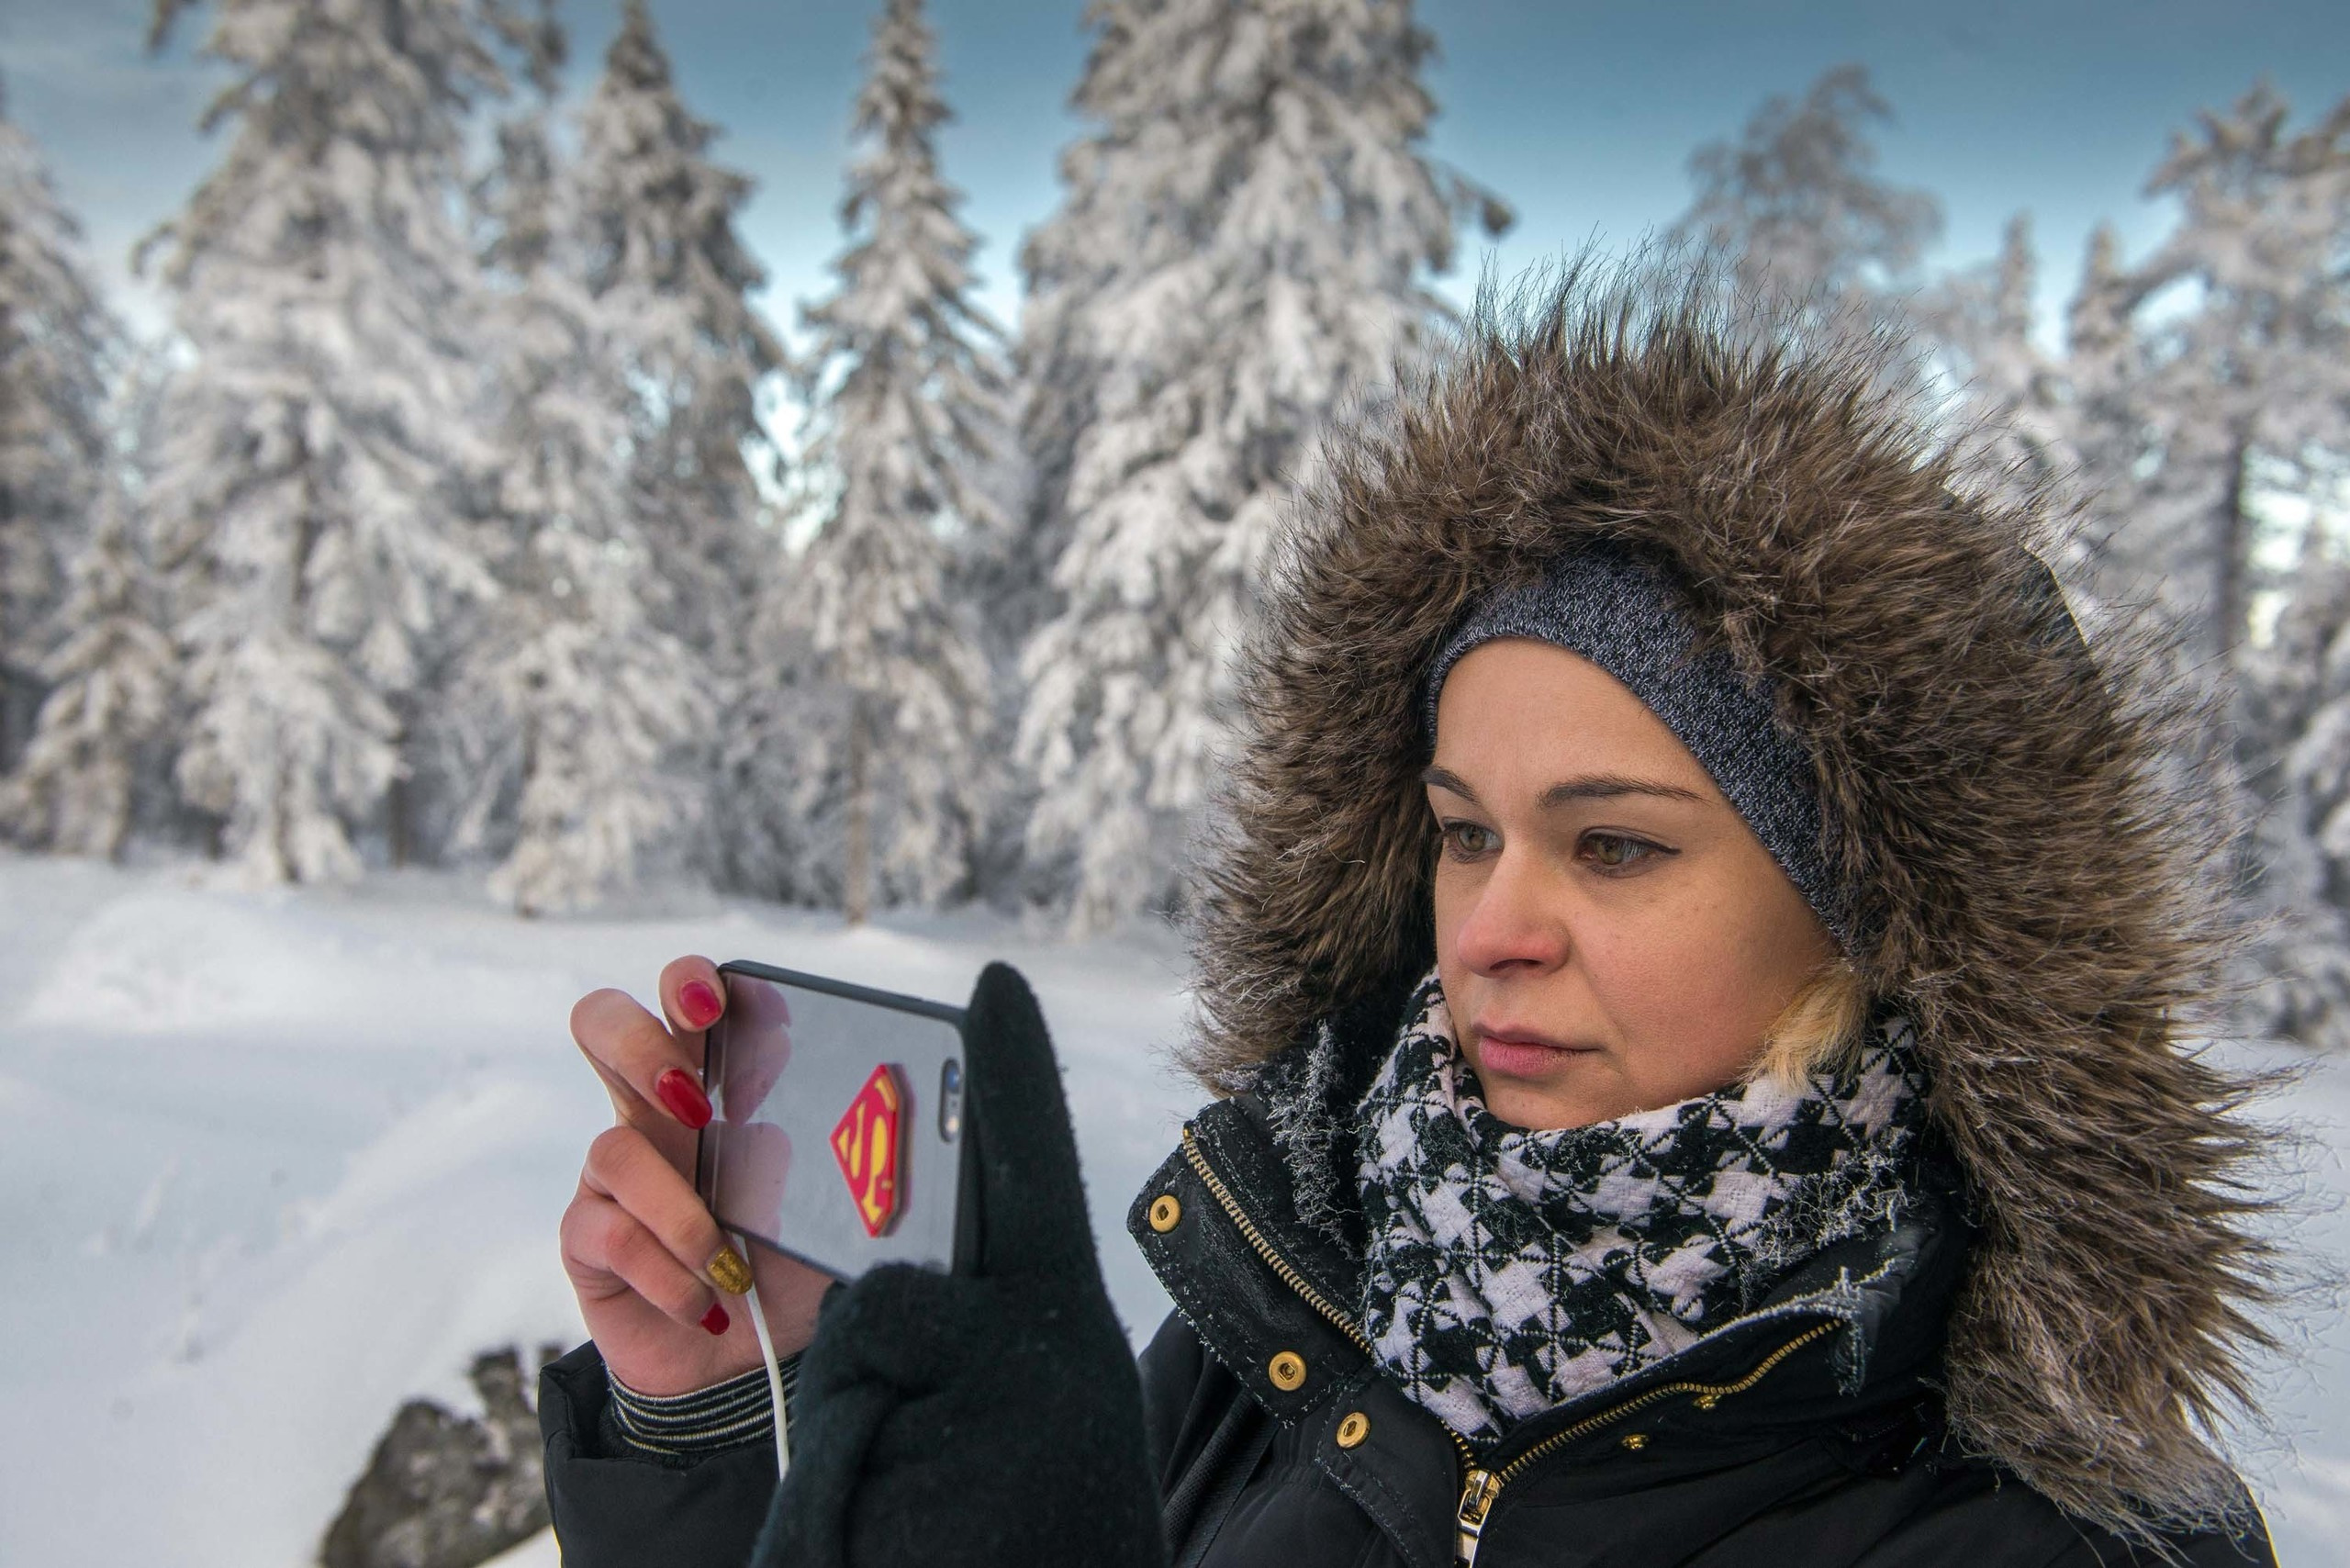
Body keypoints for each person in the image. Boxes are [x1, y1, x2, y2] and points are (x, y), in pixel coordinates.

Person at [536, 263, 2283, 1567]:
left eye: (1615, 848)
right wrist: (731, 1422)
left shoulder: (2055, 1541)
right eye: (1462, 835)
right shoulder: (1291, 1308)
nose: (1491, 931)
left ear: (1886, 924)